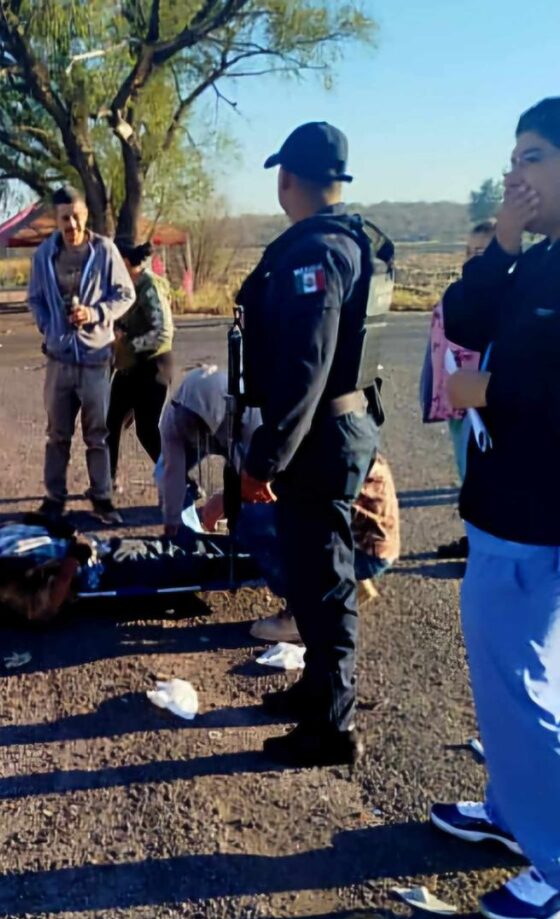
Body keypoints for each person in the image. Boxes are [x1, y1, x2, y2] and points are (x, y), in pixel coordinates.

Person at [430, 98, 560, 919]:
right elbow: (467, 315)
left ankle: (552, 858)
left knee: (519, 679)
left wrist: (487, 390)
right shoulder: (537, 259)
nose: (517, 173)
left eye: (536, 156)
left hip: (534, 509)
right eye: (513, 157)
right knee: (506, 672)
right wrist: (504, 241)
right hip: (507, 500)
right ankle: (514, 809)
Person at [236, 122, 383, 768]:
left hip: (318, 435)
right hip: (330, 429)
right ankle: (317, 690)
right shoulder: (347, 240)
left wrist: (267, 456)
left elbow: (305, 366)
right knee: (313, 573)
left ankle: (332, 726)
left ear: (286, 178)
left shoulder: (315, 253)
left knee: (325, 584)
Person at [28, 185, 135, 525]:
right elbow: (35, 299)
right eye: (64, 218)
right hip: (59, 359)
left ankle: (102, 498)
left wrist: (96, 313)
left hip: (94, 359)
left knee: (97, 434)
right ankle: (53, 499)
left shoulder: (104, 251)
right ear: (55, 219)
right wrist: (48, 327)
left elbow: (125, 294)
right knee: (57, 434)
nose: (71, 224)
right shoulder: (44, 255)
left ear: (85, 214)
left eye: (76, 216)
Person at [229, 453, 400, 642]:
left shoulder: (331, 446)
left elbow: (296, 495)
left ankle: (305, 615)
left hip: (364, 551)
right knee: (266, 512)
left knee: (254, 519)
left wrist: (233, 497)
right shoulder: (344, 431)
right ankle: (337, 583)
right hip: (365, 541)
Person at [0, 518, 253, 622]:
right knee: (189, 562)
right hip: (107, 572)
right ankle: (264, 560)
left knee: (182, 545)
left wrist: (63, 530)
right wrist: (72, 560)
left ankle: (258, 546)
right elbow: (42, 610)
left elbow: (41, 525)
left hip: (107, 548)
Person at [420, 221, 495, 560]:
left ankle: (482, 542)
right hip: (454, 401)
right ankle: (474, 536)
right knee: (464, 472)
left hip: (480, 404)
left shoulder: (504, 297)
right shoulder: (459, 294)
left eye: (482, 252)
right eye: (469, 251)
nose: (473, 260)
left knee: (482, 476)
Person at [157, 365, 261, 537]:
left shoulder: (250, 416)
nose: (193, 435)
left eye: (197, 428)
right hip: (212, 422)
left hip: (232, 430)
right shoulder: (173, 419)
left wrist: (224, 500)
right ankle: (190, 537)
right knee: (163, 471)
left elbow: (257, 476)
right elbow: (172, 472)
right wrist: (172, 520)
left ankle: (248, 535)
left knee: (252, 498)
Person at [107, 239, 175, 491]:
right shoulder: (126, 285)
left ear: (124, 262)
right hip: (129, 368)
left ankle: (182, 482)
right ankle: (107, 482)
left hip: (152, 366)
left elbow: (163, 331)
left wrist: (129, 344)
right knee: (110, 423)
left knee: (147, 431)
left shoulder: (149, 285)